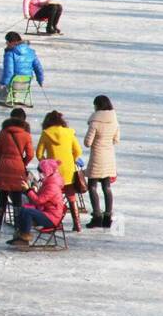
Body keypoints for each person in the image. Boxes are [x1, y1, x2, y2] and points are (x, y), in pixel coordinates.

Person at [37, 110, 84, 232]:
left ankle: (55, 221)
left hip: (54, 172)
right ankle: (77, 224)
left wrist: (46, 165)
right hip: (68, 169)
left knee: (54, 198)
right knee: (71, 197)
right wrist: (71, 159)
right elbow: (78, 151)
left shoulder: (46, 133)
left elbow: (39, 154)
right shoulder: (69, 133)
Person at [0, 107, 33, 232]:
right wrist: (22, 162)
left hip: (3, 165)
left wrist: (3, 159)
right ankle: (17, 225)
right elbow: (31, 154)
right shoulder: (26, 135)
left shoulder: (4, 132)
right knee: (17, 198)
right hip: (18, 168)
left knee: (2, 197)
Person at [8, 158, 63, 246]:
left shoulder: (52, 186)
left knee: (28, 212)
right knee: (23, 210)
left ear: (47, 171)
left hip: (52, 217)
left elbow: (38, 201)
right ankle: (19, 237)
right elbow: (39, 198)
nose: (39, 174)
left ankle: (24, 237)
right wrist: (32, 190)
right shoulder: (48, 183)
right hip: (46, 212)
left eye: (41, 172)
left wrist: (28, 190)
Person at [83, 95, 119, 229]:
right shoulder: (114, 120)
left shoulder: (95, 122)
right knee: (107, 187)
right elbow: (116, 139)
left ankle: (97, 216)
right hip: (109, 157)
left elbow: (87, 142)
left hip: (97, 156)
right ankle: (108, 217)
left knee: (92, 186)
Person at [0, 31, 44, 103]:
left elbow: (9, 71)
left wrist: (4, 84)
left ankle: (4, 96)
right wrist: (40, 80)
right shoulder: (31, 52)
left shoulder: (10, 53)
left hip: (14, 84)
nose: (6, 44)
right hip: (26, 83)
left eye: (7, 41)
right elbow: (38, 68)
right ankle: (14, 96)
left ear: (12, 42)